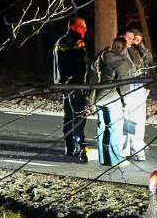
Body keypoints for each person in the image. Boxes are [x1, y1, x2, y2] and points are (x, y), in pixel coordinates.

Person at [52, 17, 90, 162]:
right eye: (83, 27)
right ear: (74, 27)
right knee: (79, 115)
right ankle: (80, 147)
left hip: (65, 85)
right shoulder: (75, 41)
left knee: (68, 116)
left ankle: (69, 146)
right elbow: (79, 64)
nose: (84, 30)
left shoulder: (60, 41)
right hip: (75, 84)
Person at [91, 37, 130, 167]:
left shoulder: (102, 56)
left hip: (99, 97)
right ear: (124, 48)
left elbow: (93, 69)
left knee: (102, 127)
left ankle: (103, 158)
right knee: (115, 128)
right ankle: (115, 159)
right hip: (113, 98)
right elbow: (123, 84)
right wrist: (125, 101)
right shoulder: (122, 62)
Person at [121, 26, 153, 160]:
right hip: (127, 85)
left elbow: (148, 60)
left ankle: (137, 148)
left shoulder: (137, 49)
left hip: (140, 85)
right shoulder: (119, 48)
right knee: (127, 117)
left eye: (136, 39)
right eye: (131, 37)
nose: (132, 40)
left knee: (138, 119)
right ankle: (124, 149)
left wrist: (140, 45)